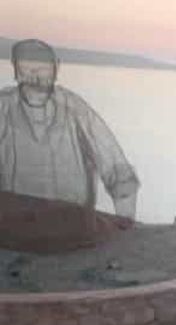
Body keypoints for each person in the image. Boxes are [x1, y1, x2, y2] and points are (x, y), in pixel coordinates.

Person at [0, 39, 140, 219]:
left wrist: (125, 217)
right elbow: (117, 170)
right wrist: (126, 219)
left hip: (62, 222)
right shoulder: (4, 106)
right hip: (21, 221)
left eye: (41, 68)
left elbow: (115, 167)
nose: (35, 75)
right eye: (28, 68)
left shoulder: (73, 108)